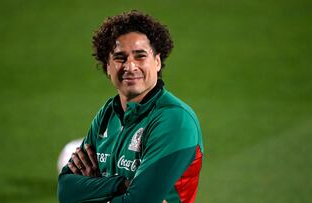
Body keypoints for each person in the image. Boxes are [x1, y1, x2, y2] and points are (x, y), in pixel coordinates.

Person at [57, 10, 204, 203]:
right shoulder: (107, 115)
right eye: (120, 57)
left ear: (157, 62)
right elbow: (66, 192)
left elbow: (139, 200)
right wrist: (119, 184)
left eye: (140, 56)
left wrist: (96, 188)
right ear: (108, 66)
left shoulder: (175, 119)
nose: (130, 66)